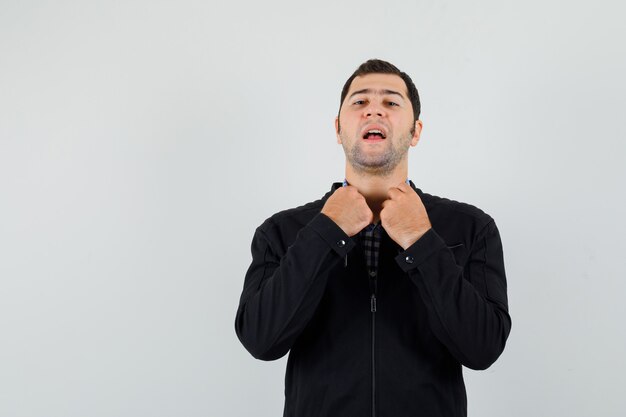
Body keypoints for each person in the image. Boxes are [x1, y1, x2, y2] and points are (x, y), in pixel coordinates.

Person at [234, 59, 511, 417]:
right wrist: (325, 232)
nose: (373, 111)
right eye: (359, 102)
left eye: (392, 103)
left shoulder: (471, 228)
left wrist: (421, 240)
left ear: (415, 131)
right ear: (338, 128)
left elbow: (483, 348)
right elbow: (261, 340)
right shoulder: (282, 232)